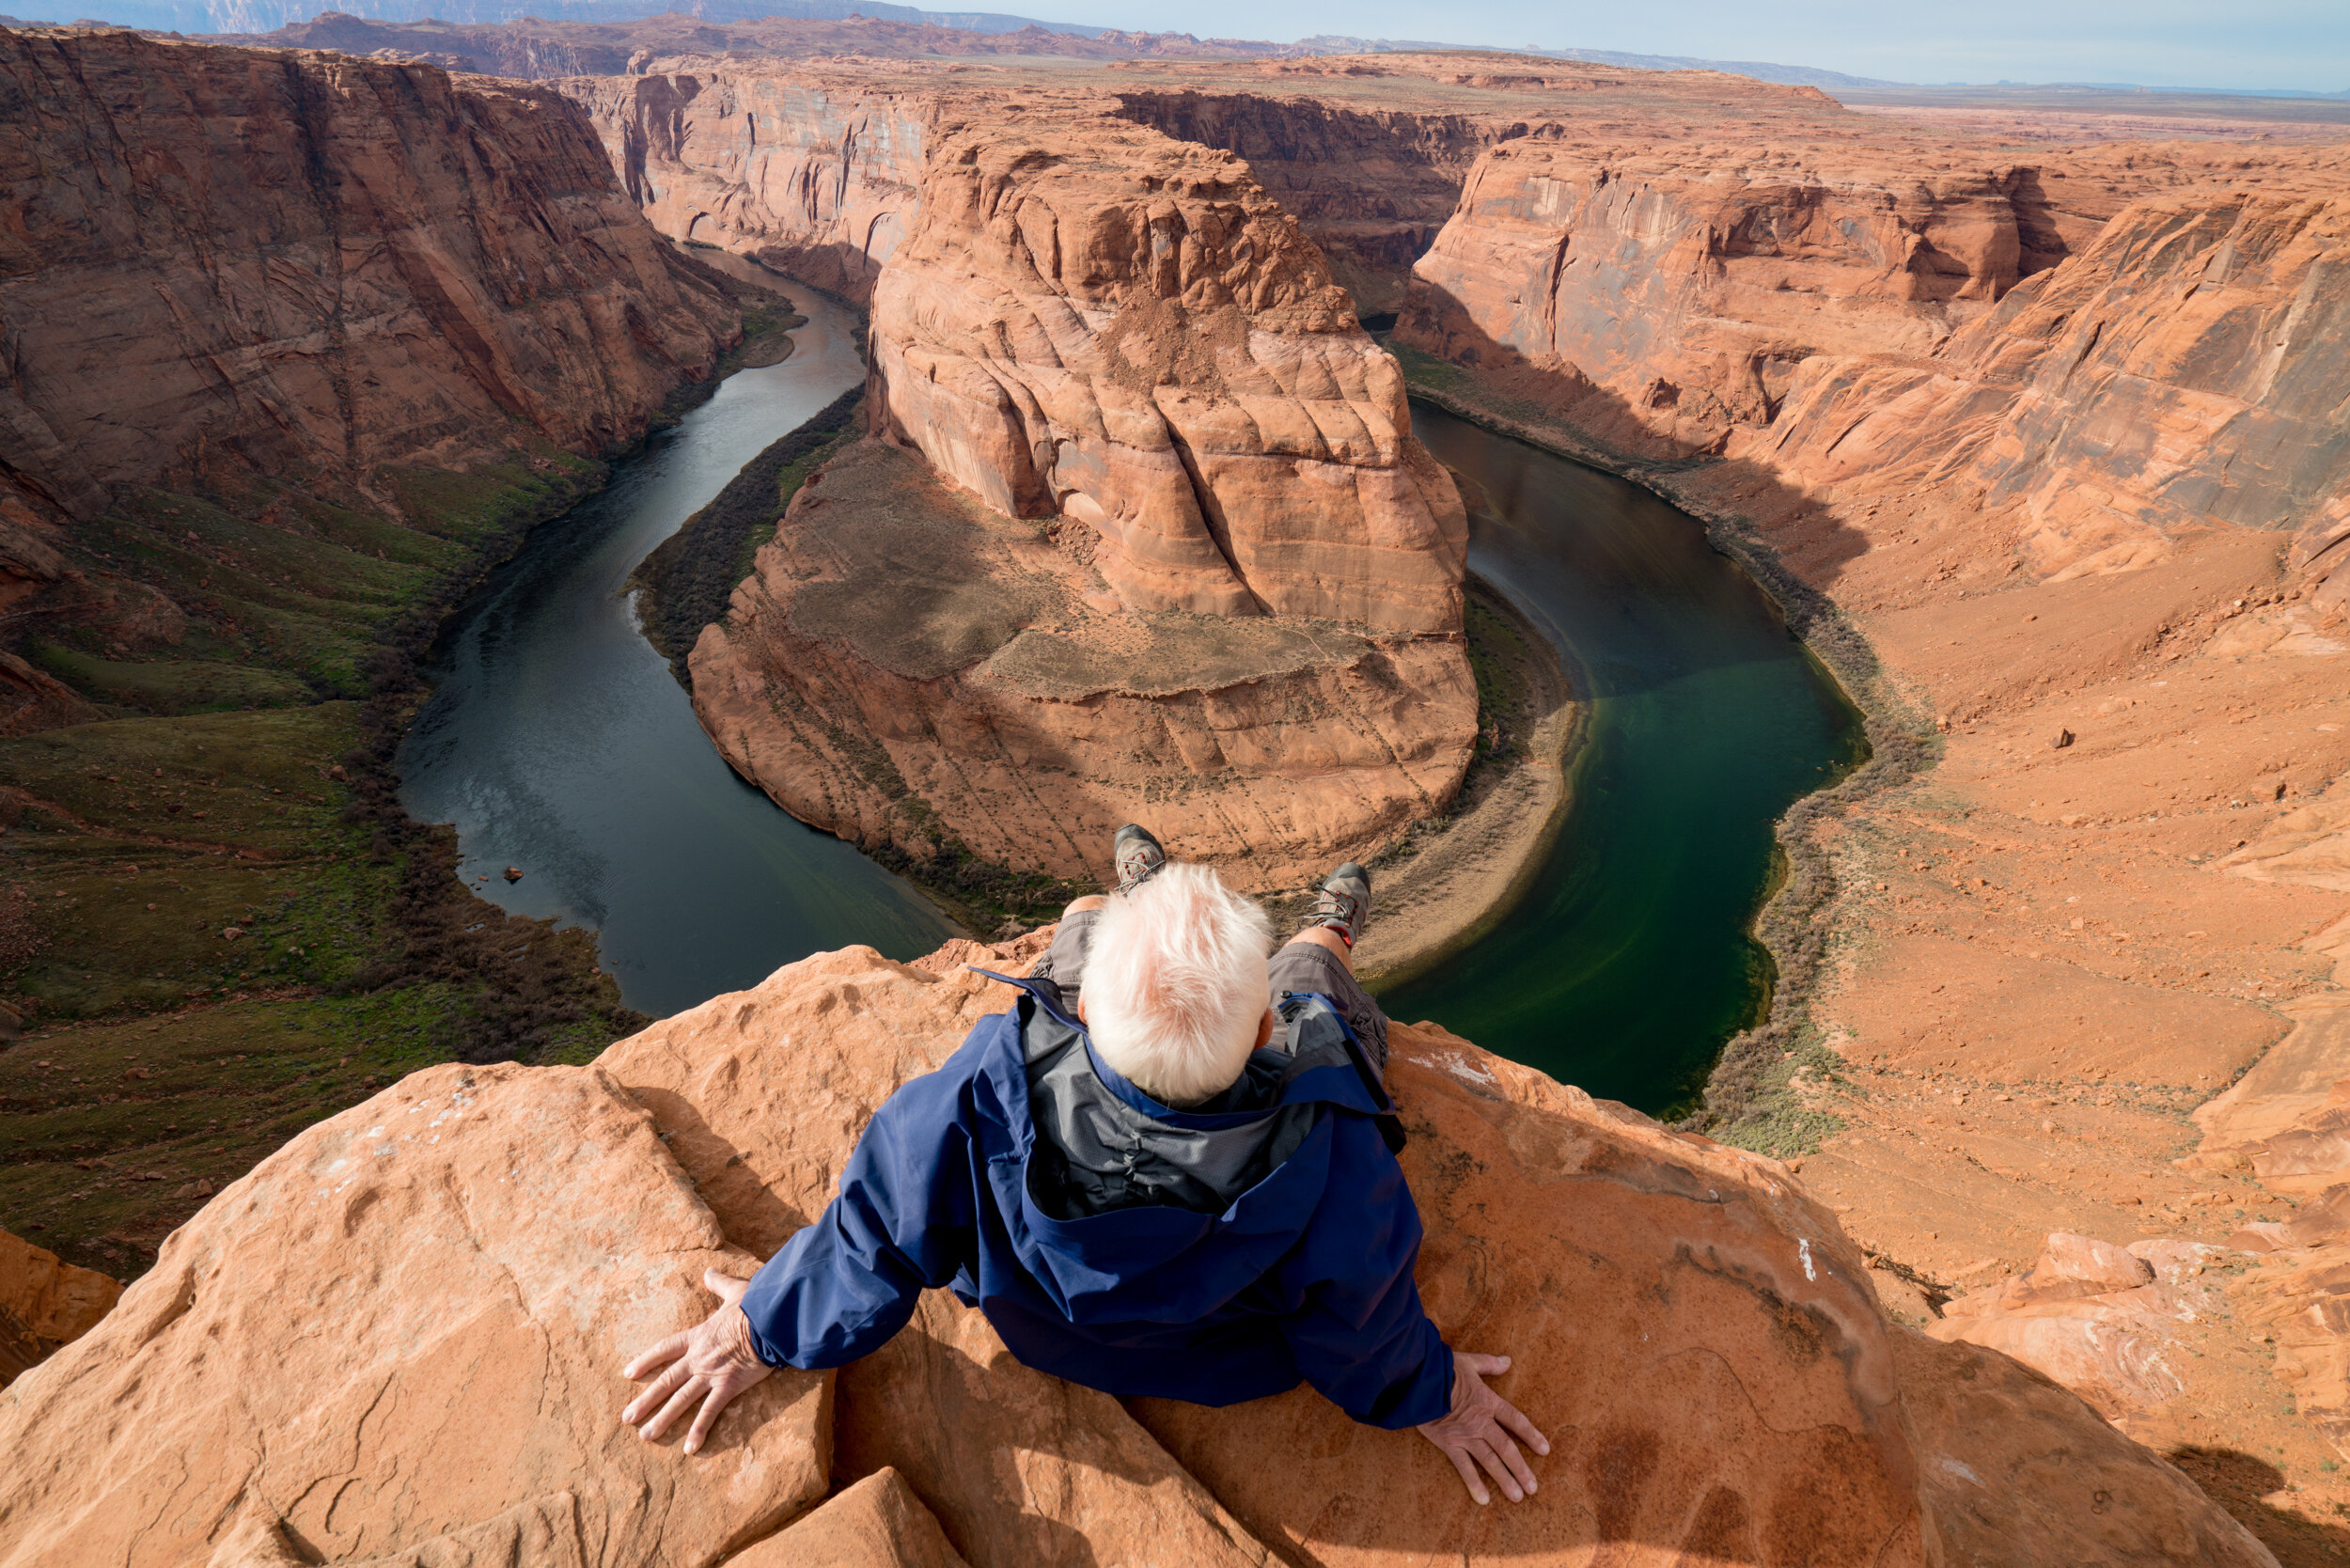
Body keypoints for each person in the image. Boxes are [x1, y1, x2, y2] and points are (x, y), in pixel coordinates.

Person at [619, 826, 1548, 1506]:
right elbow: (1363, 1325)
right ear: (1263, 1034)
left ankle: (1120, 901)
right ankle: (1329, 934)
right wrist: (1437, 1399)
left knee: (1073, 945)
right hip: (1222, 1365)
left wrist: (755, 1333)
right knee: (1321, 1001)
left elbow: (870, 1234)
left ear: (1091, 1024)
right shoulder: (1334, 1152)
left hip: (1046, 1336)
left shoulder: (979, 1092)